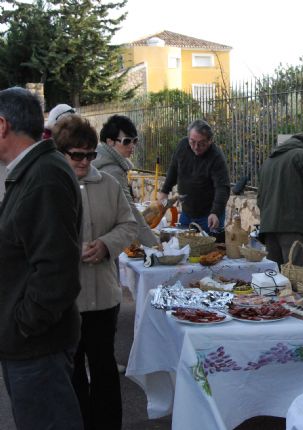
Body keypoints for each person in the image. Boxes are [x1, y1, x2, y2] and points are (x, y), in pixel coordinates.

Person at [0, 87, 84, 430]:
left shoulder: (44, 175)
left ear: (2, 125)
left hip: (37, 347)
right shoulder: (32, 171)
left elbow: (56, 273)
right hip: (30, 345)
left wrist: (22, 326)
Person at [53, 114, 137, 430]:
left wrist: (105, 245)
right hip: (67, 299)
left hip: (104, 297)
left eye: (90, 154)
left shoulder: (109, 184)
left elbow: (128, 224)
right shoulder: (52, 186)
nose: (86, 161)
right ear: (61, 152)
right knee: (71, 372)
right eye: (78, 155)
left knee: (103, 370)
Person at [257, 134, 303, 266]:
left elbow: (260, 198)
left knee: (274, 277)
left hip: (268, 227)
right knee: (297, 274)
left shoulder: (268, 162)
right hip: (293, 225)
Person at [93, 114, 159, 247]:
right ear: (110, 141)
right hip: (102, 241)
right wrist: (155, 244)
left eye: (135, 141)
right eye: (126, 141)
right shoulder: (112, 171)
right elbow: (130, 212)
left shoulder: (101, 161)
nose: (132, 146)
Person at [157, 119, 230, 236]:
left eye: (201, 144)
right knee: (183, 246)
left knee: (212, 251)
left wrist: (215, 212)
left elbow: (222, 188)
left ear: (210, 140)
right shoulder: (182, 146)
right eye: (192, 142)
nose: (196, 147)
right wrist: (164, 191)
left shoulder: (216, 157)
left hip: (209, 215)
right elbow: (174, 168)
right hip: (187, 213)